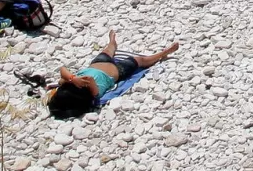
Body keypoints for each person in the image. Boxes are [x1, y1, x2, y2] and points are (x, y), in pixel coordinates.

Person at [47, 31, 179, 118]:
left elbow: (62, 70)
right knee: (141, 61)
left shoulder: (71, 82)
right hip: (118, 70)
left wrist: (72, 78)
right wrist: (77, 80)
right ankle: (163, 53)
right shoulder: (94, 93)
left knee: (108, 50)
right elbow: (90, 78)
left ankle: (112, 41)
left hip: (98, 62)